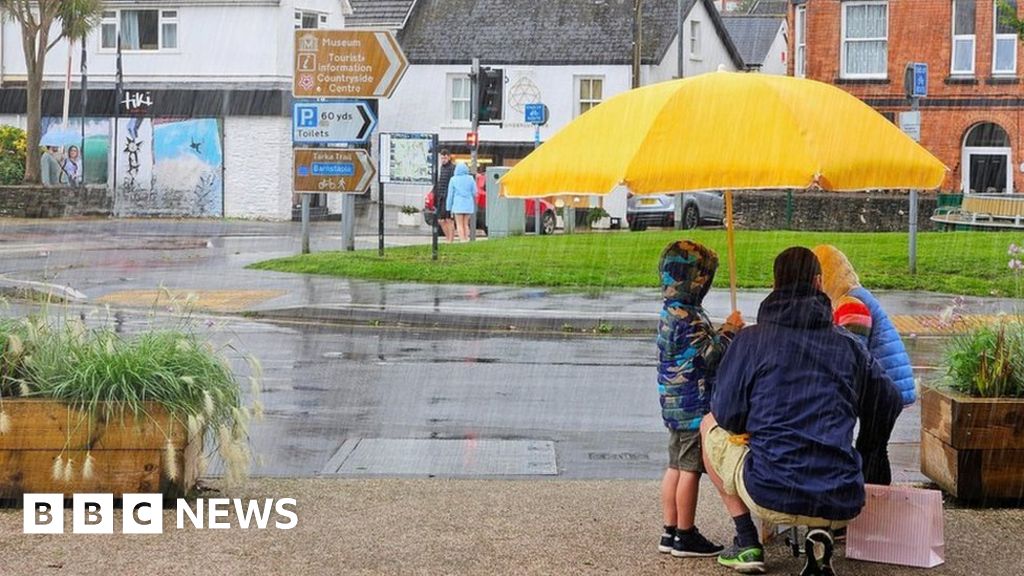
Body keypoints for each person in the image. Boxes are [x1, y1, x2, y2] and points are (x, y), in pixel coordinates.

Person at [701, 247, 902, 574]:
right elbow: (888, 400)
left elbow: (727, 415)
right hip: (841, 496)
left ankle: (747, 540)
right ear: (819, 282)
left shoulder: (752, 340)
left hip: (770, 490)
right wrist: (866, 452)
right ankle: (819, 533)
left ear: (774, 284)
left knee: (707, 423)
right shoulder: (848, 345)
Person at [655, 240, 743, 558]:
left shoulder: (671, 312)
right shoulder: (689, 316)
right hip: (693, 406)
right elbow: (708, 358)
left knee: (675, 465)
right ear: (697, 279)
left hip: (673, 404)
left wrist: (719, 330)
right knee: (690, 469)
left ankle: (669, 530)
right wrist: (730, 332)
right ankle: (685, 534)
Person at [812, 244, 915, 485]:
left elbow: (849, 353)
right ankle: (876, 503)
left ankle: (875, 503)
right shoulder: (853, 296)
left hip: (883, 391)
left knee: (872, 450)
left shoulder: (851, 303)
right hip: (887, 386)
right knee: (873, 448)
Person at [446, 162, 476, 242]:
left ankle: (462, 240)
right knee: (466, 224)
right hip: (468, 204)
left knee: (459, 224)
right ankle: (466, 239)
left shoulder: (453, 179)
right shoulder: (471, 178)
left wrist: (448, 207)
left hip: (458, 204)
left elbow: (450, 195)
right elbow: (474, 192)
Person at [432, 149, 456, 243]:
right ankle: (448, 238)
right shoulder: (441, 168)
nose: (443, 160)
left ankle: (450, 240)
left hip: (448, 196)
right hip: (440, 196)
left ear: (449, 157)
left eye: (445, 157)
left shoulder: (452, 168)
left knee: (448, 219)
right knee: (441, 220)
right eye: (442, 158)